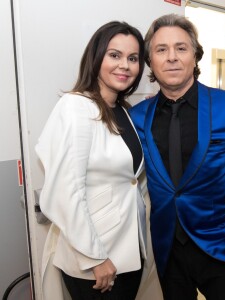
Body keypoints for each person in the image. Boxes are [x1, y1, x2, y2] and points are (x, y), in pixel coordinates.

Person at [129, 14, 225, 300]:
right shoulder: (137, 117)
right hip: (167, 249)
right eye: (161, 50)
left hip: (221, 247)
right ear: (150, 61)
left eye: (181, 48)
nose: (171, 57)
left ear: (195, 56)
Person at [36, 21, 147, 300]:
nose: (125, 65)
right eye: (114, 55)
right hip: (95, 261)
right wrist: (95, 258)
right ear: (95, 58)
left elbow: (130, 182)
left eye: (133, 58)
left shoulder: (123, 111)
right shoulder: (76, 107)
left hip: (128, 252)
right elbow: (64, 190)